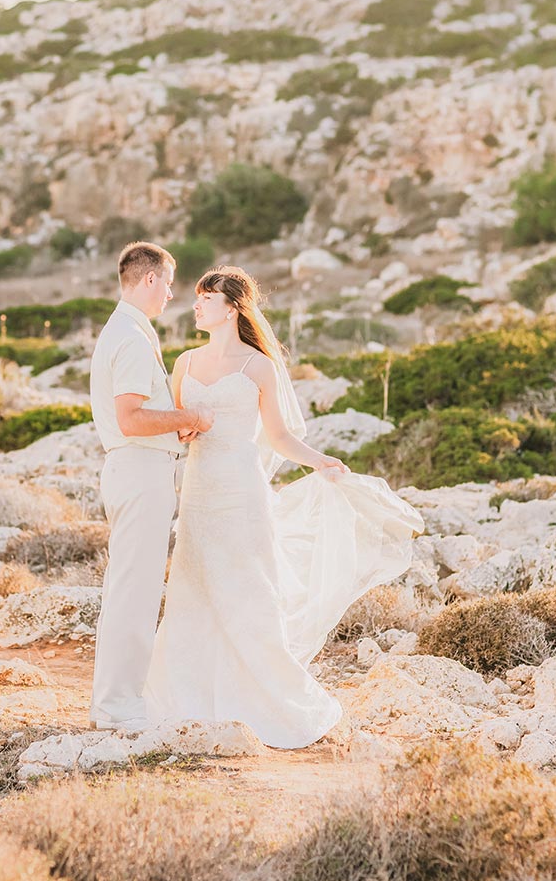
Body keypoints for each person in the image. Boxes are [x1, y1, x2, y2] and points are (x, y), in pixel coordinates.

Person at [143, 265, 423, 749]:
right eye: (195, 297)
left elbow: (278, 436)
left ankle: (267, 701)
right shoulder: (185, 362)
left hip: (241, 492)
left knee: (248, 590)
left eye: (205, 298)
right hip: (198, 490)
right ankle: (184, 698)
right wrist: (183, 428)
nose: (196, 305)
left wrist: (319, 462)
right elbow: (175, 424)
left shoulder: (258, 367)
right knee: (193, 586)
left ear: (231, 307)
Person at [88, 241, 214, 732]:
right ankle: (118, 706)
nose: (171, 293)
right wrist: (191, 417)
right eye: (167, 282)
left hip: (138, 468)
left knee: (131, 588)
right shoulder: (133, 337)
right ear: (149, 280)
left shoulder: (126, 330)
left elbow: (139, 415)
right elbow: (131, 417)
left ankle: (115, 700)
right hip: (140, 472)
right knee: (133, 592)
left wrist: (172, 425)